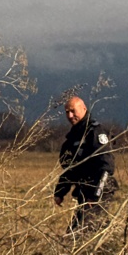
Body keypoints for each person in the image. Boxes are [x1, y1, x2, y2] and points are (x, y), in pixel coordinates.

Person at [54, 96, 117, 234]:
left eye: (73, 111)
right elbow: (70, 169)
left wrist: (96, 194)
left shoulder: (95, 131)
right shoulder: (73, 137)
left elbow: (107, 165)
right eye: (67, 112)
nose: (70, 115)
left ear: (83, 109)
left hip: (99, 190)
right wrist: (60, 192)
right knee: (88, 229)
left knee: (80, 232)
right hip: (83, 191)